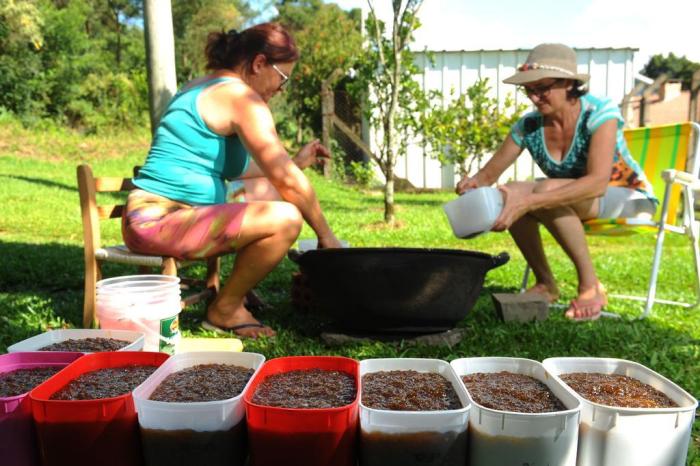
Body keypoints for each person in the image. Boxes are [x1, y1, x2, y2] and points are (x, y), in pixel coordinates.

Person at [122, 22, 342, 338]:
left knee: (265, 200)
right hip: (160, 220)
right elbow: (287, 182)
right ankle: (225, 308)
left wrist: (294, 163)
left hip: (151, 217)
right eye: (282, 79)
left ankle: (229, 301)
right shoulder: (241, 98)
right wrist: (327, 237)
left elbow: (235, 167)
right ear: (258, 63)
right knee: (285, 219)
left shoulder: (202, 86)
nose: (281, 90)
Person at [456, 43, 657, 321]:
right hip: (572, 200)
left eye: (543, 88)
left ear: (568, 84)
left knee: (543, 190)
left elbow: (598, 183)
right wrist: (472, 184)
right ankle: (546, 284)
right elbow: (488, 177)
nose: (535, 98)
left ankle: (590, 286)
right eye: (529, 90)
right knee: (512, 193)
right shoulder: (528, 126)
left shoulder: (600, 112)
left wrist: (531, 199)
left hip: (628, 198)